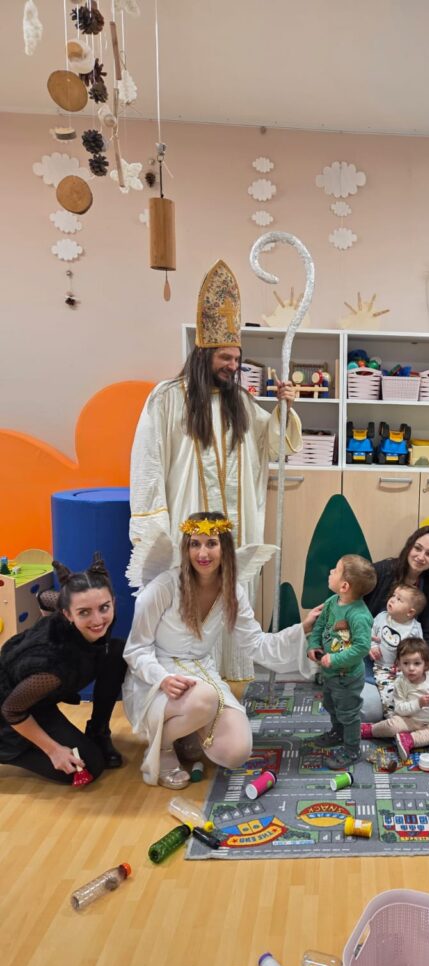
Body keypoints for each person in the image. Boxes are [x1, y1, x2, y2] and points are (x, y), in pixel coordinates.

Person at [129, 259, 301, 682]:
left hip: (234, 531)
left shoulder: (240, 402)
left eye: (236, 358)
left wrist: (285, 408)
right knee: (186, 599)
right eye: (225, 357)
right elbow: (148, 460)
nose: (232, 365)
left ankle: (230, 681)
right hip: (188, 528)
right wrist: (154, 524)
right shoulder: (168, 398)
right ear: (204, 354)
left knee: (230, 597)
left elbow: (274, 443)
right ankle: (182, 677)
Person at [122, 512, 317, 789]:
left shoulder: (232, 591)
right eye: (195, 544)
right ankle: (162, 747)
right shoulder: (165, 586)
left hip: (202, 673)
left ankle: (185, 732)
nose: (202, 553)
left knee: (236, 752)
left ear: (224, 547)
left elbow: (256, 644)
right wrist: (162, 679)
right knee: (205, 699)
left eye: (211, 543)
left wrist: (302, 629)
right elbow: (136, 649)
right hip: (157, 677)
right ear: (186, 548)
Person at [0, 555, 126, 784]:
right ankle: (9, 750)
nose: (97, 619)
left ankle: (98, 730)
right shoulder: (53, 666)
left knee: (116, 652)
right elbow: (11, 710)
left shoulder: (73, 607)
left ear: (113, 602)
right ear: (67, 614)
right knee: (90, 766)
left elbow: (43, 597)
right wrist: (54, 750)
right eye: (84, 612)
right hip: (10, 711)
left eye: (104, 607)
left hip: (35, 698)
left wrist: (46, 623)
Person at [362, 527, 429, 721]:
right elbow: (354, 605)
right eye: (417, 548)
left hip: (404, 664)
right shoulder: (383, 571)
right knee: (371, 710)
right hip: (369, 654)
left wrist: (428, 663)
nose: (421, 556)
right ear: (409, 546)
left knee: (425, 703)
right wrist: (364, 639)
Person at [307, 555, 377, 771]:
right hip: (330, 673)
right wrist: (313, 644)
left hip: (347, 676)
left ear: (345, 586)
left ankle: (352, 749)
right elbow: (320, 626)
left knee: (348, 713)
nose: (330, 572)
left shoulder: (359, 615)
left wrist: (335, 659)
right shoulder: (332, 602)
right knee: (331, 705)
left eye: (335, 570)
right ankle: (338, 733)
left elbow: (361, 648)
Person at [361, 638, 429, 761]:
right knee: (392, 725)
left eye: (417, 663)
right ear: (398, 664)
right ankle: (371, 730)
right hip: (407, 720)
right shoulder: (401, 682)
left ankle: (409, 740)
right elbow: (399, 709)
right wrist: (418, 703)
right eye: (406, 663)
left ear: (425, 664)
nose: (411, 668)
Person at [369, 584, 426, 715]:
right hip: (382, 667)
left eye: (399, 599)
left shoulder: (414, 629)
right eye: (394, 595)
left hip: (405, 669)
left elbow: (419, 650)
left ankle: (414, 716)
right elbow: (370, 632)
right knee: (388, 694)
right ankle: (392, 718)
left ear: (410, 612)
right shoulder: (381, 617)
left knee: (412, 692)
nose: (392, 599)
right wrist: (372, 646)